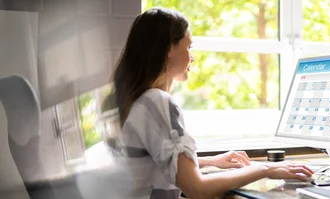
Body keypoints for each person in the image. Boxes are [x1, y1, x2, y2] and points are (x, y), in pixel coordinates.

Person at [111, 7, 313, 199]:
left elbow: (149, 165)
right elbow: (197, 189)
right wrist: (265, 169)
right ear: (168, 49)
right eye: (188, 46)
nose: (192, 57)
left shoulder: (138, 100)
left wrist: (211, 161)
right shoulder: (157, 102)